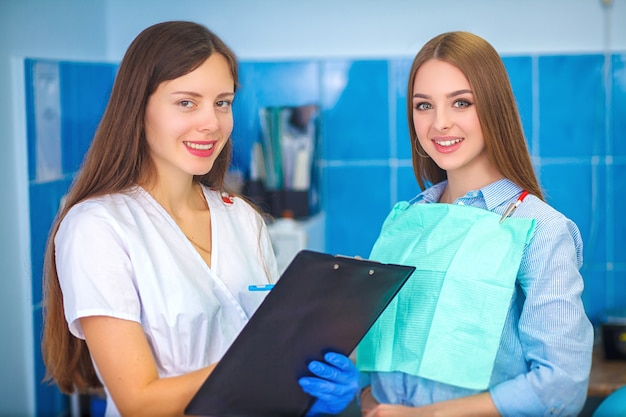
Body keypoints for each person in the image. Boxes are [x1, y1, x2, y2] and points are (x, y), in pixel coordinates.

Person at [41, 20, 357, 417]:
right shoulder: (97, 227)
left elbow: (275, 348)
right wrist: (260, 364)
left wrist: (315, 387)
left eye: (222, 102)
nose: (211, 122)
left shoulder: (242, 219)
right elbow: (139, 402)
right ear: (138, 108)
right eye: (186, 102)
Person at [356, 31, 594, 416]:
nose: (440, 124)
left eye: (461, 102)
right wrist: (368, 398)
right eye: (423, 106)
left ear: (494, 108)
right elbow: (379, 363)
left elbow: (560, 387)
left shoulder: (540, 229)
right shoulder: (404, 222)